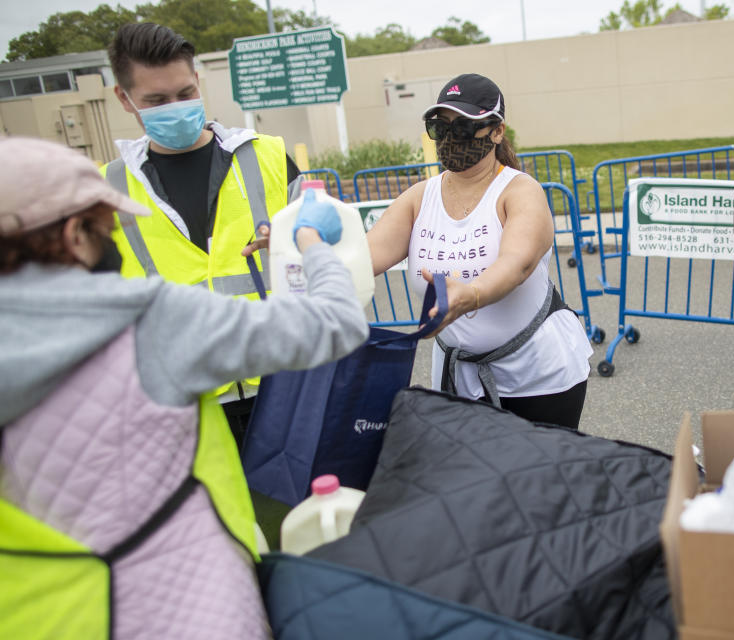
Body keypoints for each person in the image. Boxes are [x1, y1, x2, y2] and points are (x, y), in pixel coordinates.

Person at [0, 137, 368, 638]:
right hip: (194, 609)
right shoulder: (146, 320)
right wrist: (311, 244)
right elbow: (334, 323)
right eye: (107, 228)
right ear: (73, 234)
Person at [101, 22, 304, 435]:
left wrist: (299, 245)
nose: (175, 107)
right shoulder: (103, 192)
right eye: (156, 100)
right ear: (124, 98)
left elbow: (331, 259)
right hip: (179, 404)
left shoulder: (270, 158)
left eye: (185, 93)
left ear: (198, 80)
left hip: (284, 383)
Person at [365, 73, 592, 429]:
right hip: (461, 381)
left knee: (535, 481)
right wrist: (300, 249)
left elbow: (517, 263)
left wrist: (471, 294)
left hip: (537, 375)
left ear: (497, 131)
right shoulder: (419, 198)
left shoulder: (520, 191)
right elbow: (364, 258)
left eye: (466, 126)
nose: (453, 137)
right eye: (442, 127)